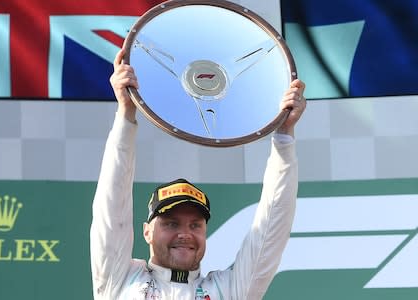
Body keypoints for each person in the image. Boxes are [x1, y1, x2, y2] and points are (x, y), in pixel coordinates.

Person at [90, 48, 306, 300]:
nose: (185, 234)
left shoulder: (228, 290)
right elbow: (113, 205)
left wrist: (284, 137)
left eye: (195, 225)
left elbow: (271, 229)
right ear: (147, 232)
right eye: (171, 223)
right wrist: (126, 114)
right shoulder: (120, 278)